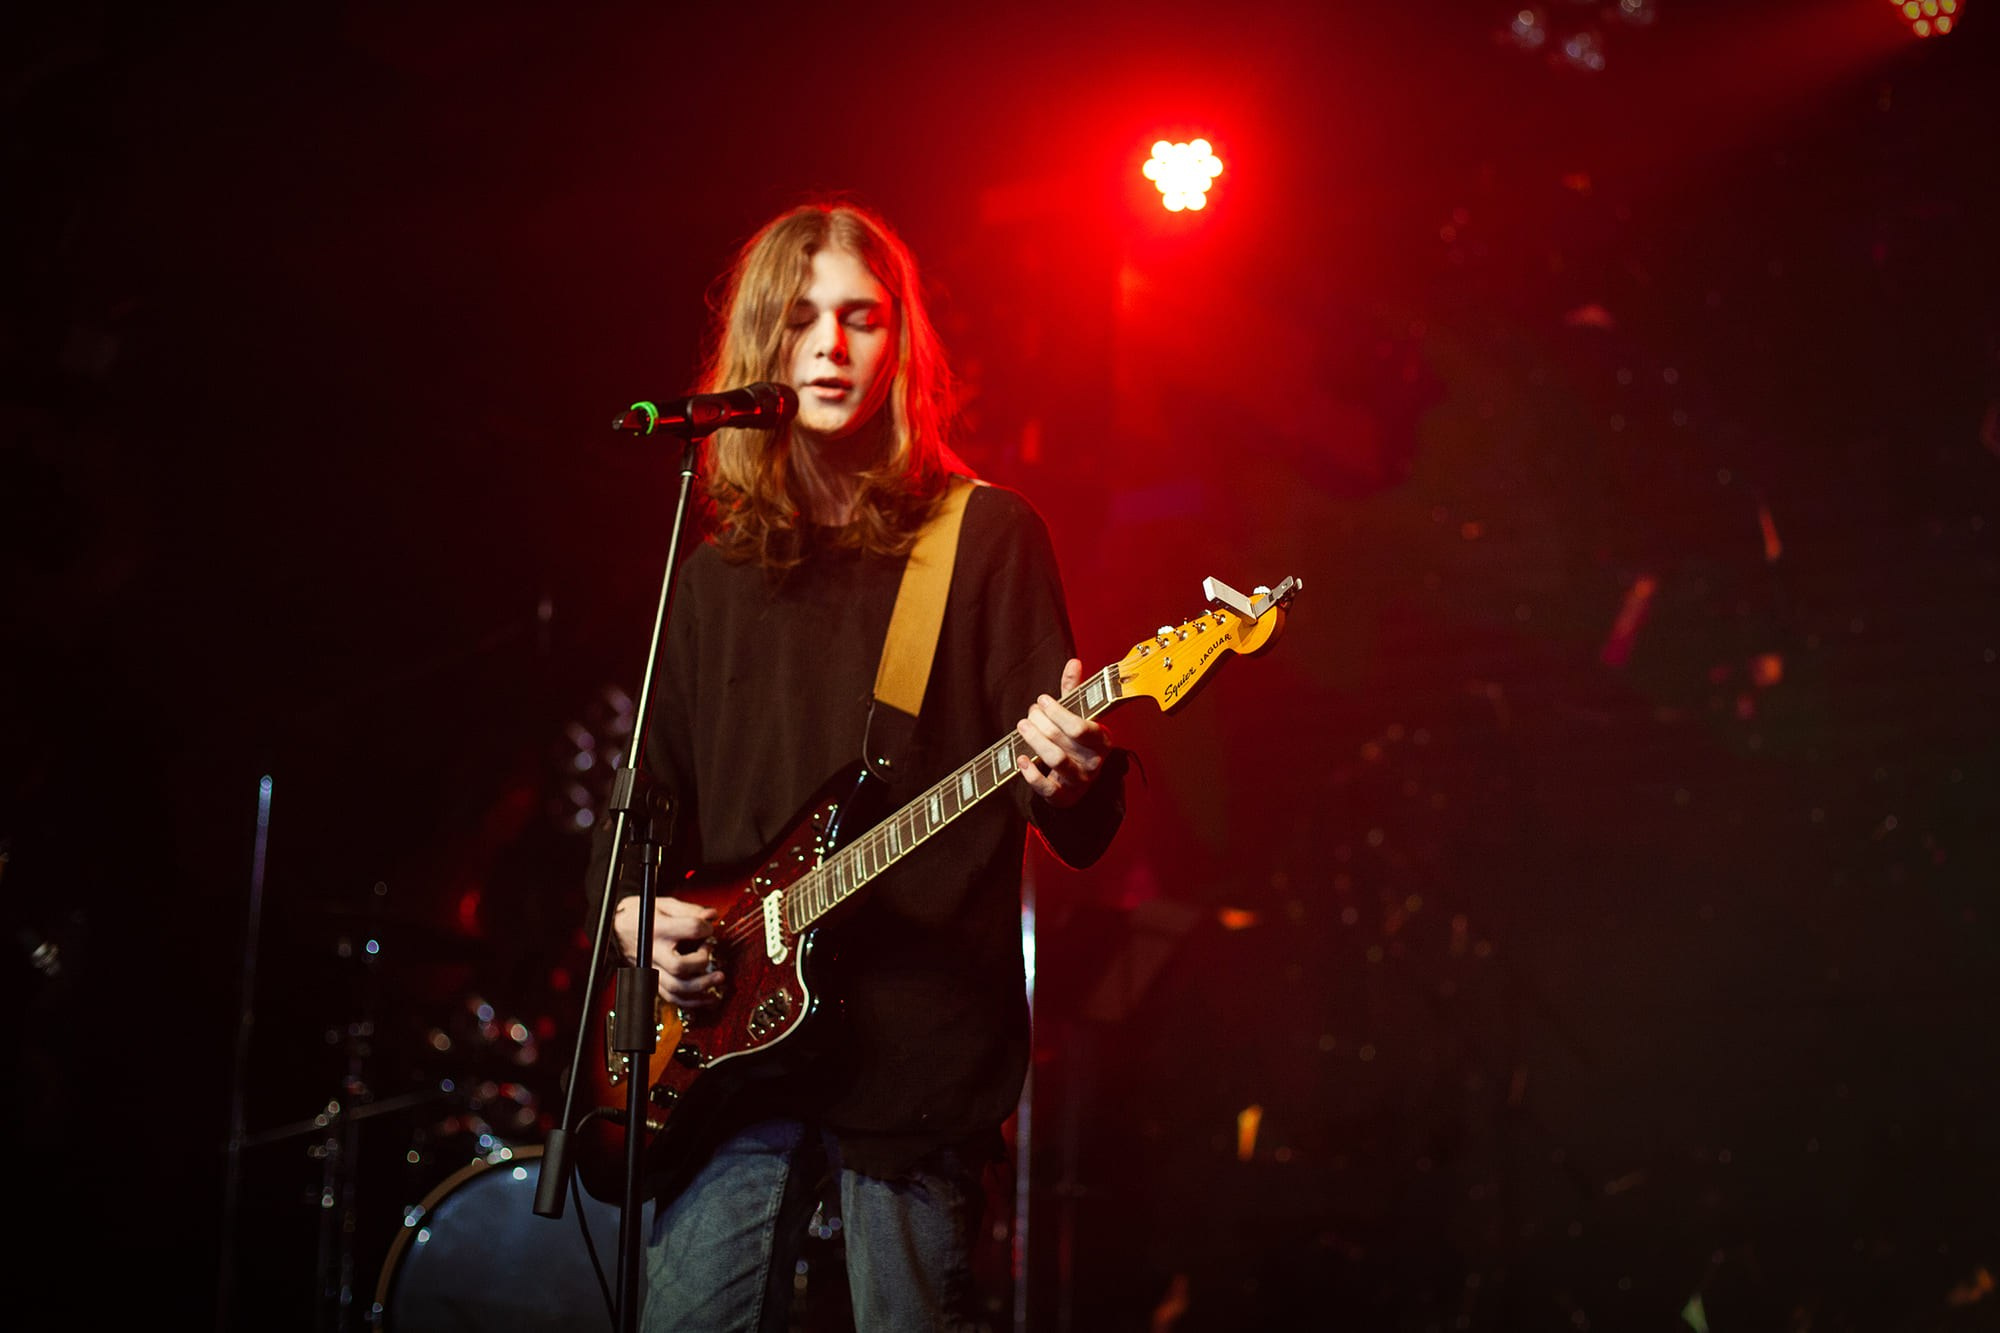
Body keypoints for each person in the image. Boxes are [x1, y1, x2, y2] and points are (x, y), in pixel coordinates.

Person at [596, 200, 1128, 1332]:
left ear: (902, 343)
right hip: (726, 1064)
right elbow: (641, 807)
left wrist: (1068, 774)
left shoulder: (983, 537)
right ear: (760, 348)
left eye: (861, 319)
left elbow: (1074, 813)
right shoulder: (714, 575)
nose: (832, 348)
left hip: (914, 1063)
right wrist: (646, 925)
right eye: (801, 320)